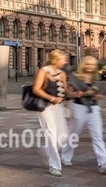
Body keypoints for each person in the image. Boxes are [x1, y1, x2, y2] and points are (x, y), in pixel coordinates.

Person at [61, 56, 106, 174]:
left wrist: (96, 95)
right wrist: (79, 94)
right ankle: (65, 157)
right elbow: (68, 93)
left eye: (92, 64)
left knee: (98, 136)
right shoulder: (76, 77)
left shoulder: (96, 77)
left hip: (93, 108)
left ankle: (104, 163)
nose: (90, 66)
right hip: (79, 108)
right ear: (83, 65)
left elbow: (98, 95)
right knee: (73, 134)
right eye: (88, 64)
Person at [31, 49, 70, 177]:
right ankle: (54, 166)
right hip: (45, 107)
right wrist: (52, 98)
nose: (65, 61)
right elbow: (36, 89)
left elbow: (65, 91)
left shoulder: (62, 73)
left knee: (63, 136)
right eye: (63, 59)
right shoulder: (44, 71)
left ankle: (45, 150)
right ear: (56, 60)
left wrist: (75, 94)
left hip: (59, 107)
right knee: (51, 134)